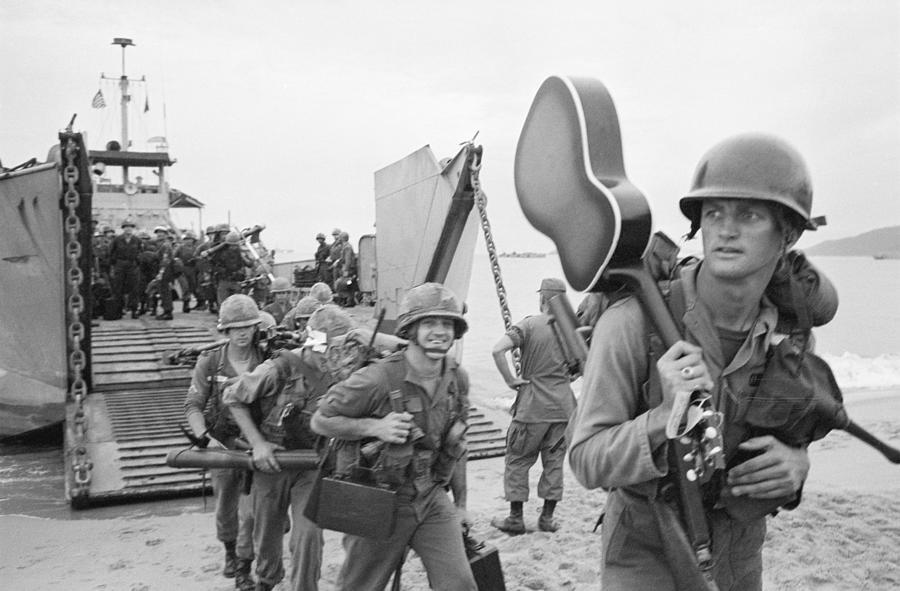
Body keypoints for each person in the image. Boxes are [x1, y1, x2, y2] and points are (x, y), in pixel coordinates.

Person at [567, 133, 836, 590]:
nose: (726, 230)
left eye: (748, 215)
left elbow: (789, 435)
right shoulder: (633, 324)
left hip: (739, 552)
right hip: (644, 548)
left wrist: (796, 464)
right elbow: (586, 460)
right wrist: (661, 419)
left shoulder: (791, 336)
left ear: (787, 233)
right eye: (714, 214)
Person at [310, 282, 476, 591]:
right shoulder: (377, 378)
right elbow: (321, 420)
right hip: (379, 499)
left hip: (431, 498)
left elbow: (458, 444)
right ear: (411, 330)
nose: (439, 331)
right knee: (360, 586)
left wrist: (461, 504)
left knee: (460, 584)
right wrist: (375, 427)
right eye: (429, 323)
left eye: (447, 323)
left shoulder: (456, 378)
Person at [221, 308, 354, 591]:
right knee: (267, 537)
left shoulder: (342, 374)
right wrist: (257, 443)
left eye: (341, 351)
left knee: (309, 535)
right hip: (272, 465)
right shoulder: (277, 370)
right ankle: (267, 581)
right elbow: (232, 397)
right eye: (328, 350)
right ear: (313, 343)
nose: (334, 359)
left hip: (310, 467)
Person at [183, 294, 263, 591]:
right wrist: (205, 437)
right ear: (225, 330)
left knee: (252, 511)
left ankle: (244, 567)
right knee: (226, 506)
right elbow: (193, 404)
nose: (243, 333)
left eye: (248, 327)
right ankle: (229, 551)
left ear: (256, 328)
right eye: (235, 328)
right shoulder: (211, 362)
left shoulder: (266, 358)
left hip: (258, 440)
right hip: (223, 442)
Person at [490, 277, 576, 535]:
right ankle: (547, 519)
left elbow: (497, 350)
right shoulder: (573, 330)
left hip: (531, 409)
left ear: (542, 300)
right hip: (563, 410)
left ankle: (516, 519)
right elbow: (583, 366)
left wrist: (510, 380)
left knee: (517, 460)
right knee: (554, 463)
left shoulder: (528, 325)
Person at [108, 218, 142, 319]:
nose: (128, 229)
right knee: (118, 288)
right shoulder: (117, 240)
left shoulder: (137, 240)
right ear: (123, 228)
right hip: (120, 264)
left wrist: (137, 264)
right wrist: (113, 267)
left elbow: (141, 253)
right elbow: (111, 253)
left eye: (130, 227)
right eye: (126, 227)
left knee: (134, 288)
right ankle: (118, 309)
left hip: (132, 265)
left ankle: (134, 309)